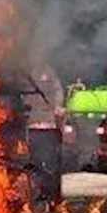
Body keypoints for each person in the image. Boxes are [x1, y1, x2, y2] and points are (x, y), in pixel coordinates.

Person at [21, 57, 66, 204]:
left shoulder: (47, 71)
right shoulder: (23, 74)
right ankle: (41, 194)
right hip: (31, 127)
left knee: (48, 162)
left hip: (47, 126)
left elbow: (58, 92)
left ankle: (50, 195)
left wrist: (56, 106)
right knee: (36, 161)